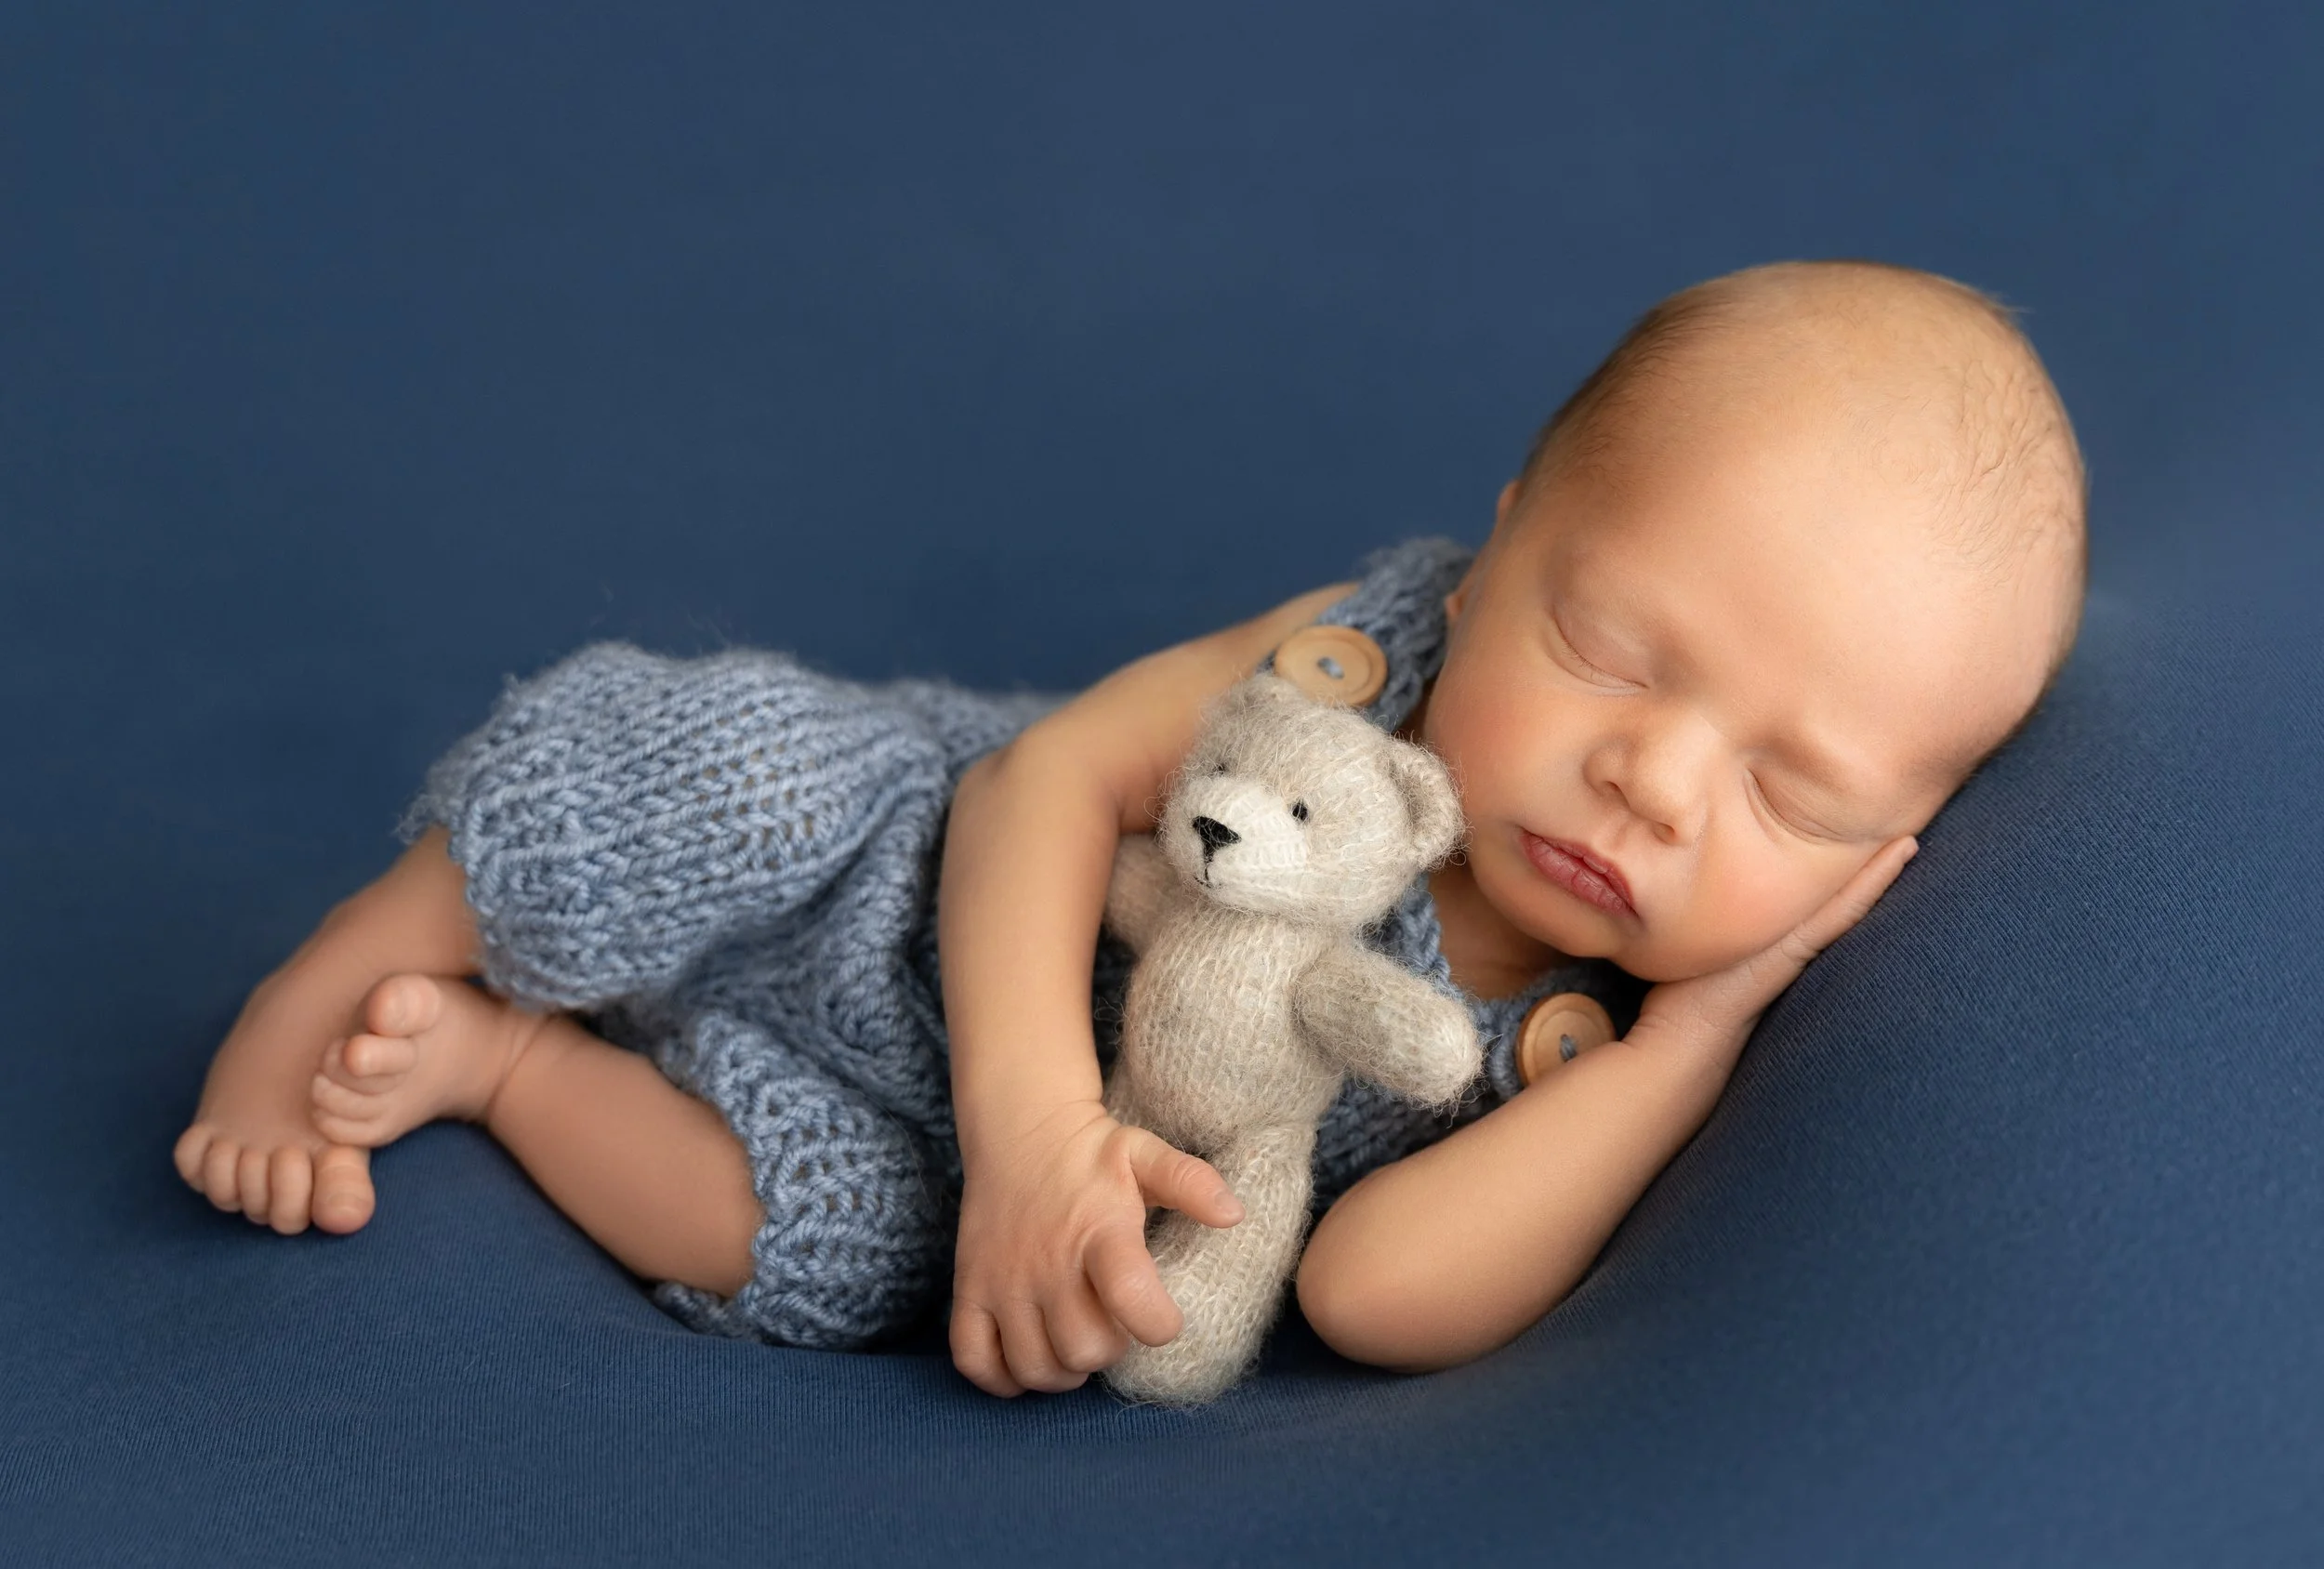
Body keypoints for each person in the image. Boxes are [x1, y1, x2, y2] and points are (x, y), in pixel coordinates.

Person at [170, 258, 2087, 1398]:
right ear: (1498, 553)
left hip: (922, 1148)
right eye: (1607, 651)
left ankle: (504, 1067)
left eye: (1789, 795)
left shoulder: (1577, 1051)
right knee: (741, 772)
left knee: (843, 1260)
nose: (1652, 783)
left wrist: (1693, 1040)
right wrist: (1033, 1132)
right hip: (903, 871)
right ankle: (329, 984)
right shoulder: (1367, 658)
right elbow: (1040, 785)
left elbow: (1369, 1293)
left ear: (1883, 855)